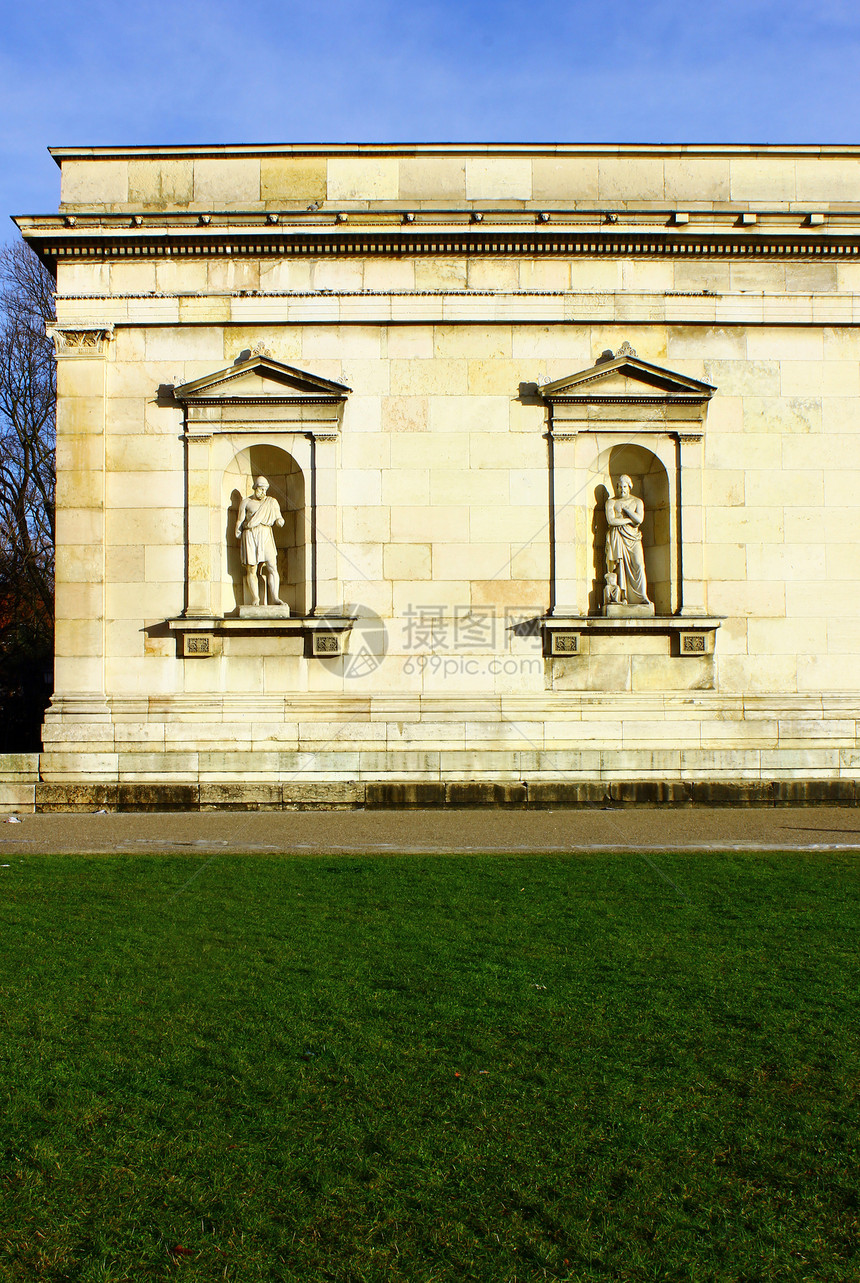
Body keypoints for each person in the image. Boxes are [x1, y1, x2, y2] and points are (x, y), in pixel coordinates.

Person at [235, 476, 285, 606]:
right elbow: (240, 520)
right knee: (251, 568)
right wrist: (238, 531)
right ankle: (255, 598)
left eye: (265, 489)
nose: (263, 492)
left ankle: (275, 597)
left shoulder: (271, 502)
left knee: (272, 565)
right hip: (250, 534)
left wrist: (280, 521)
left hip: (265, 533)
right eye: (261, 489)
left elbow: (278, 516)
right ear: (255, 488)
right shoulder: (246, 502)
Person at [604, 475, 651, 607]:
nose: (622, 489)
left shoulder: (637, 502)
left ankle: (641, 596)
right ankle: (622, 597)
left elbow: (640, 519)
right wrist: (630, 520)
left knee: (639, 564)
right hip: (617, 536)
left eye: (625, 486)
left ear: (629, 487)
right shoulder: (611, 502)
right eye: (619, 487)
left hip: (633, 537)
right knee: (620, 566)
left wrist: (628, 511)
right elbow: (611, 521)